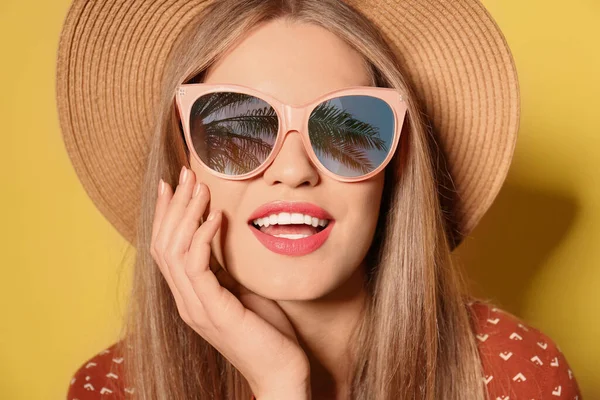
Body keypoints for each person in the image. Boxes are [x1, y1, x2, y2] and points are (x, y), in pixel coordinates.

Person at [56, 0, 582, 399]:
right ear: (182, 160)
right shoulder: (112, 387)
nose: (293, 170)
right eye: (238, 125)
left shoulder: (511, 374)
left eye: (349, 130)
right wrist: (280, 380)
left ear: (395, 165)